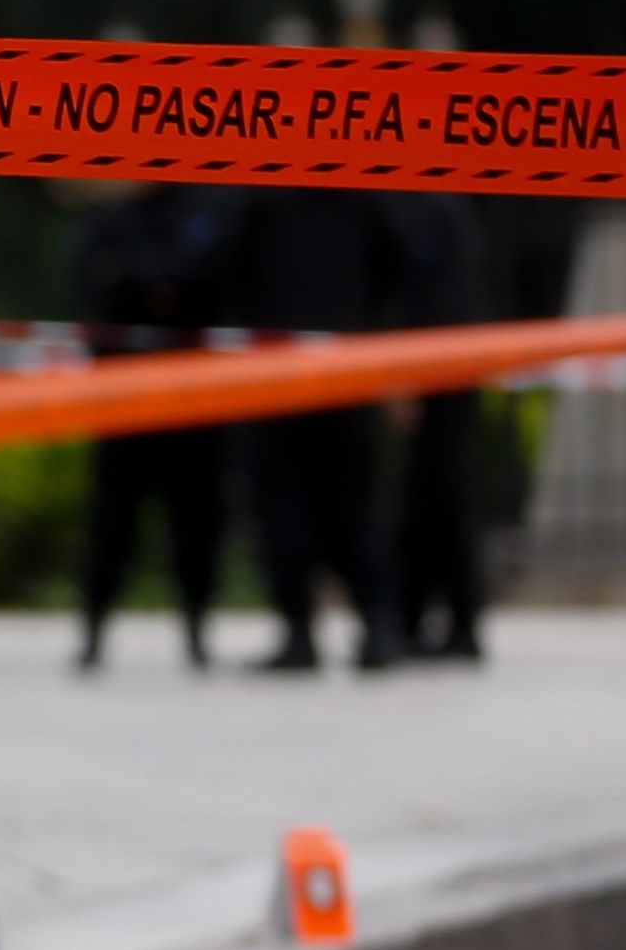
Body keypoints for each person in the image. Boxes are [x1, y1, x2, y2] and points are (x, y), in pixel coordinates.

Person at [215, 189, 405, 672]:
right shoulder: (264, 201)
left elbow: (396, 275)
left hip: (339, 378)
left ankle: (373, 626)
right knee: (290, 514)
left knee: (348, 509)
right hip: (284, 380)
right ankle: (305, 631)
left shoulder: (361, 199)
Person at [64, 185, 229, 670]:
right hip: (122, 397)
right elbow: (91, 283)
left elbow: (206, 275)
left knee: (195, 522)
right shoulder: (107, 218)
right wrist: (157, 285)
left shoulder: (202, 208)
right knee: (110, 523)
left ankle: (198, 630)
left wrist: (137, 279)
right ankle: (94, 631)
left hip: (192, 399)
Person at [387, 192, 492, 664]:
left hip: (437, 372)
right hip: (450, 365)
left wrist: (404, 379)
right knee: (433, 498)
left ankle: (455, 623)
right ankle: (430, 620)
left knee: (440, 500)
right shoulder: (441, 206)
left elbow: (423, 299)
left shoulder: (420, 209)